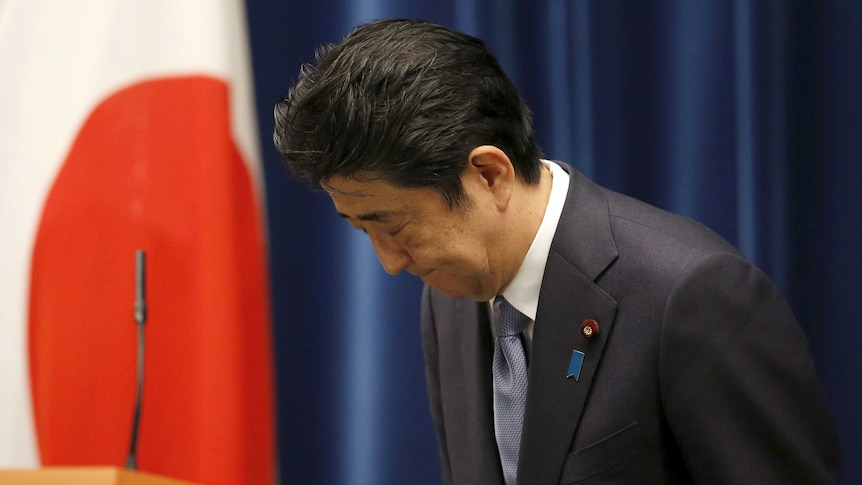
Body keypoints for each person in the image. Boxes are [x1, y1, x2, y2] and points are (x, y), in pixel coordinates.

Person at [273, 18, 840, 485]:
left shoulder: (691, 293)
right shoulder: (449, 299)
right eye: (358, 230)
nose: (390, 262)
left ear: (489, 174)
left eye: (392, 225)